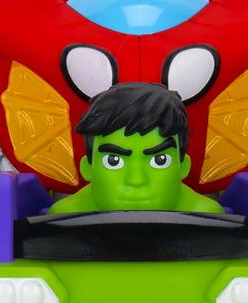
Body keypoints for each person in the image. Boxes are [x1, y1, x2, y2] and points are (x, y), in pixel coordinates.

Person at [49, 82, 224, 214]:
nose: (136, 180)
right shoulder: (63, 217)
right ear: (87, 168)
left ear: (183, 166)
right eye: (113, 161)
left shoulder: (207, 216)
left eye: (160, 160)